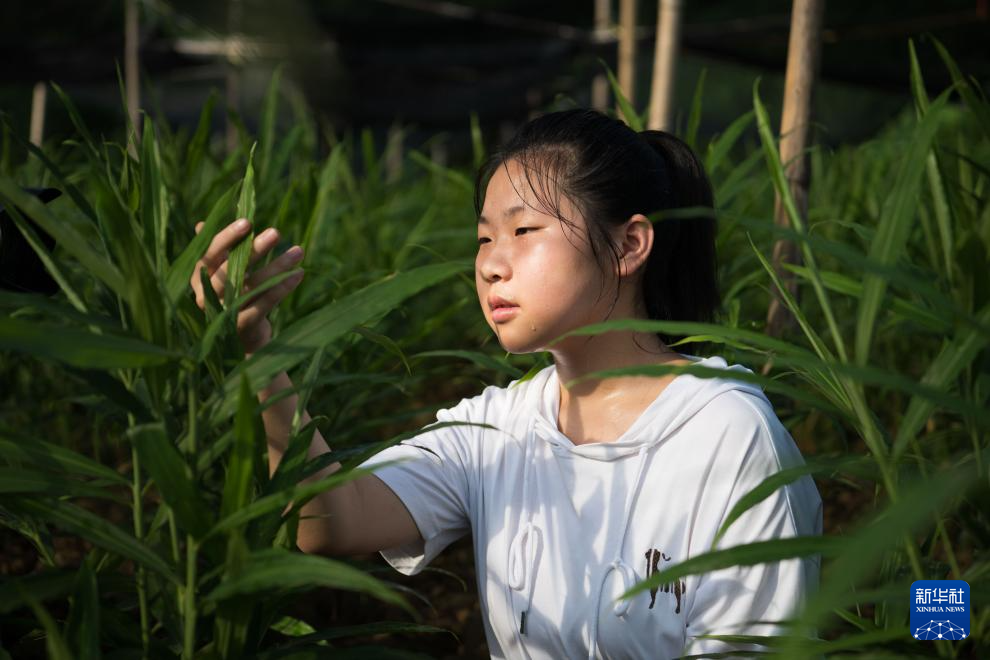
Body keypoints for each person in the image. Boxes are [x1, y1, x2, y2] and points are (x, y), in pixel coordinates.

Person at [191, 108, 823, 659]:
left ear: (630, 245)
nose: (492, 264)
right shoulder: (497, 430)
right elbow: (329, 520)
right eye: (485, 238)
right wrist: (258, 349)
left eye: (524, 231)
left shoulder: (728, 436)